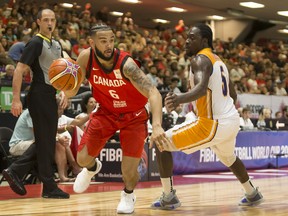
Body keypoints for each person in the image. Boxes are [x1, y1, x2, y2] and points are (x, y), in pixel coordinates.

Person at [150, 23, 264, 210]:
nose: (186, 41)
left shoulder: (200, 59)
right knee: (229, 158)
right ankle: (252, 193)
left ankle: (168, 196)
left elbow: (201, 89)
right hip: (231, 120)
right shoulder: (219, 61)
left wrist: (179, 98)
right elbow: (233, 95)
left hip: (212, 123)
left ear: (204, 41)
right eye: (187, 37)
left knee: (161, 142)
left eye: (192, 37)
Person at [64, 23, 166, 214]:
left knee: (128, 172)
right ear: (91, 43)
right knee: (82, 159)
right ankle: (93, 168)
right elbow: (73, 89)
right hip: (106, 112)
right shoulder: (86, 58)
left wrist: (158, 125)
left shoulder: (126, 65)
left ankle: (128, 194)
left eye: (111, 40)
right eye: (103, 41)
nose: (109, 45)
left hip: (134, 116)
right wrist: (64, 88)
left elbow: (154, 93)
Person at [4, 9, 70, 199]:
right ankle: (46, 186)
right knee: (46, 141)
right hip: (38, 94)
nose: (50, 23)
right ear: (39, 22)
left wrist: (63, 91)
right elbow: (19, 70)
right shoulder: (35, 42)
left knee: (47, 141)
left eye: (53, 20)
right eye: (46, 20)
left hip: (50, 94)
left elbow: (60, 73)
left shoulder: (56, 45)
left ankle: (16, 171)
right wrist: (16, 99)